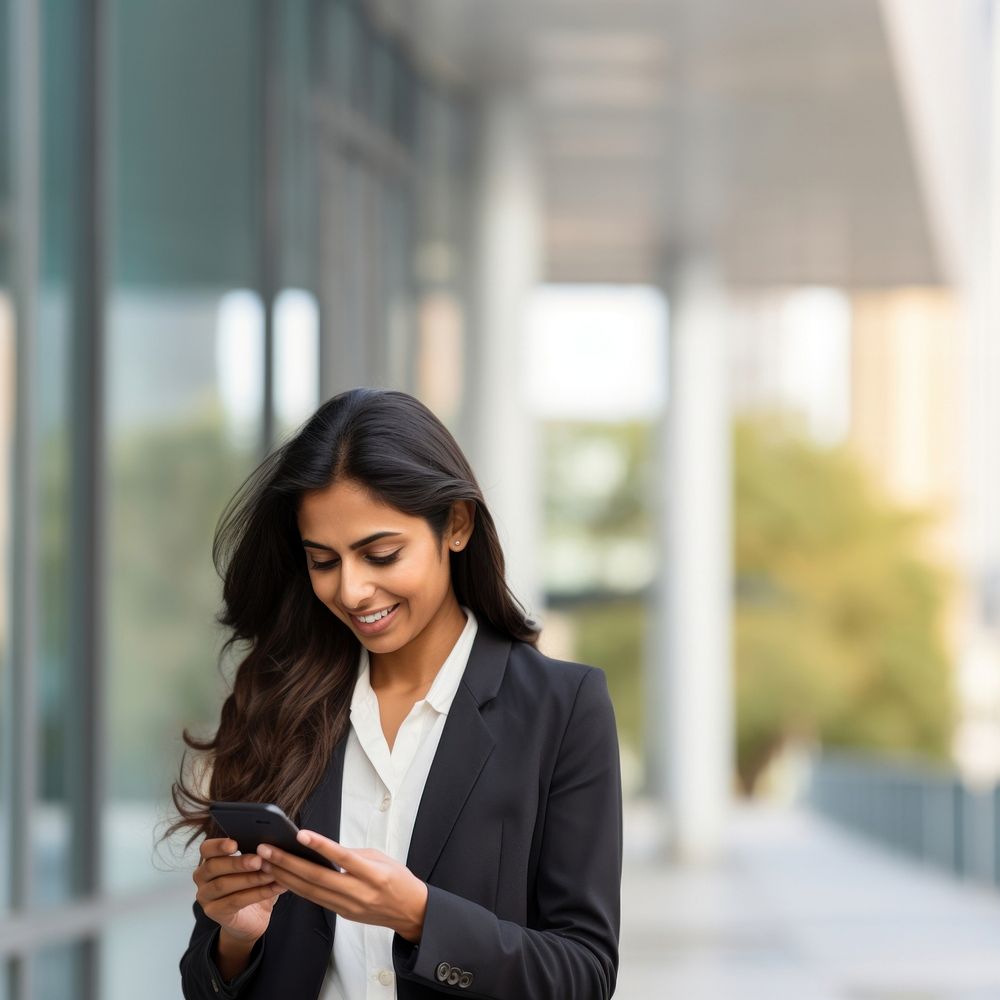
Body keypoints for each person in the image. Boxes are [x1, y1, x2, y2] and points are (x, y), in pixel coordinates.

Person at [170, 387, 623, 999]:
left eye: (380, 554)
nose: (352, 591)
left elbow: (584, 976)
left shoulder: (563, 709)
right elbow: (206, 983)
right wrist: (236, 936)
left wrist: (421, 916)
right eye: (323, 561)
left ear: (455, 525)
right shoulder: (277, 701)